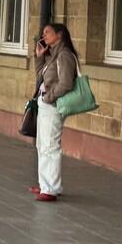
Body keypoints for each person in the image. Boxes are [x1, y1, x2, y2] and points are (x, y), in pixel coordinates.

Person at [32, 22, 77, 202]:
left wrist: (49, 97)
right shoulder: (52, 56)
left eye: (48, 32)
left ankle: (50, 188)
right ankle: (46, 184)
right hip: (45, 102)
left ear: (59, 34)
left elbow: (66, 83)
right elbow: (40, 77)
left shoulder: (64, 55)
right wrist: (39, 57)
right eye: (43, 33)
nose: (44, 35)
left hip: (53, 104)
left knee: (51, 146)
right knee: (42, 145)